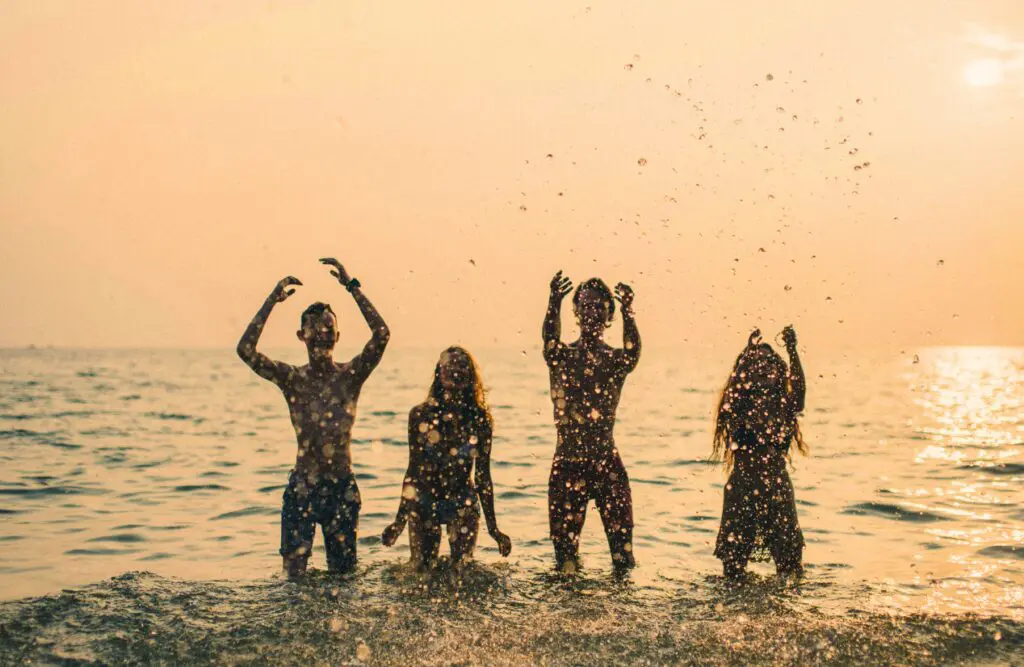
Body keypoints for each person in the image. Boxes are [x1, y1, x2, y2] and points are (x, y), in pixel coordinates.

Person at [236, 258, 390, 577]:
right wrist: (271, 302)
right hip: (302, 487)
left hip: (341, 489)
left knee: (344, 579)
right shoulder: (293, 378)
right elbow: (246, 350)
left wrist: (352, 287)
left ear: (337, 335)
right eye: (316, 329)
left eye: (329, 329)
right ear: (302, 336)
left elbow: (382, 334)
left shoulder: (350, 376)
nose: (323, 334)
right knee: (293, 582)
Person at [542, 271, 641, 573]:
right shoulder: (563, 356)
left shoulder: (613, 360)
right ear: (576, 311)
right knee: (565, 560)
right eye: (586, 305)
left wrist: (628, 312)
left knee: (623, 558)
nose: (592, 312)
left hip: (605, 461)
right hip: (568, 462)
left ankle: (625, 615)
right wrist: (552, 301)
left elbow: (633, 352)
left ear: (608, 313)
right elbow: (549, 340)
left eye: (599, 306)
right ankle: (565, 618)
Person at [382, 347, 512, 569]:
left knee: (462, 569)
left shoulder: (480, 420)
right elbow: (413, 471)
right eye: (449, 366)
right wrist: (399, 521)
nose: (455, 371)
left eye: (461, 366)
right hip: (424, 498)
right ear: (438, 373)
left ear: (470, 376)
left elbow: (483, 477)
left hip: (462, 499)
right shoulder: (420, 415)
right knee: (420, 569)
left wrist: (494, 529)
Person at [712, 326, 807, 579]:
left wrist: (792, 351)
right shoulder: (738, 406)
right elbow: (733, 390)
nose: (763, 367)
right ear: (745, 374)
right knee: (732, 571)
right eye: (756, 363)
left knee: (791, 568)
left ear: (779, 370)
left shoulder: (785, 407)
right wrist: (746, 354)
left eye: (768, 362)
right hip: (741, 488)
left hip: (777, 488)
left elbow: (799, 393)